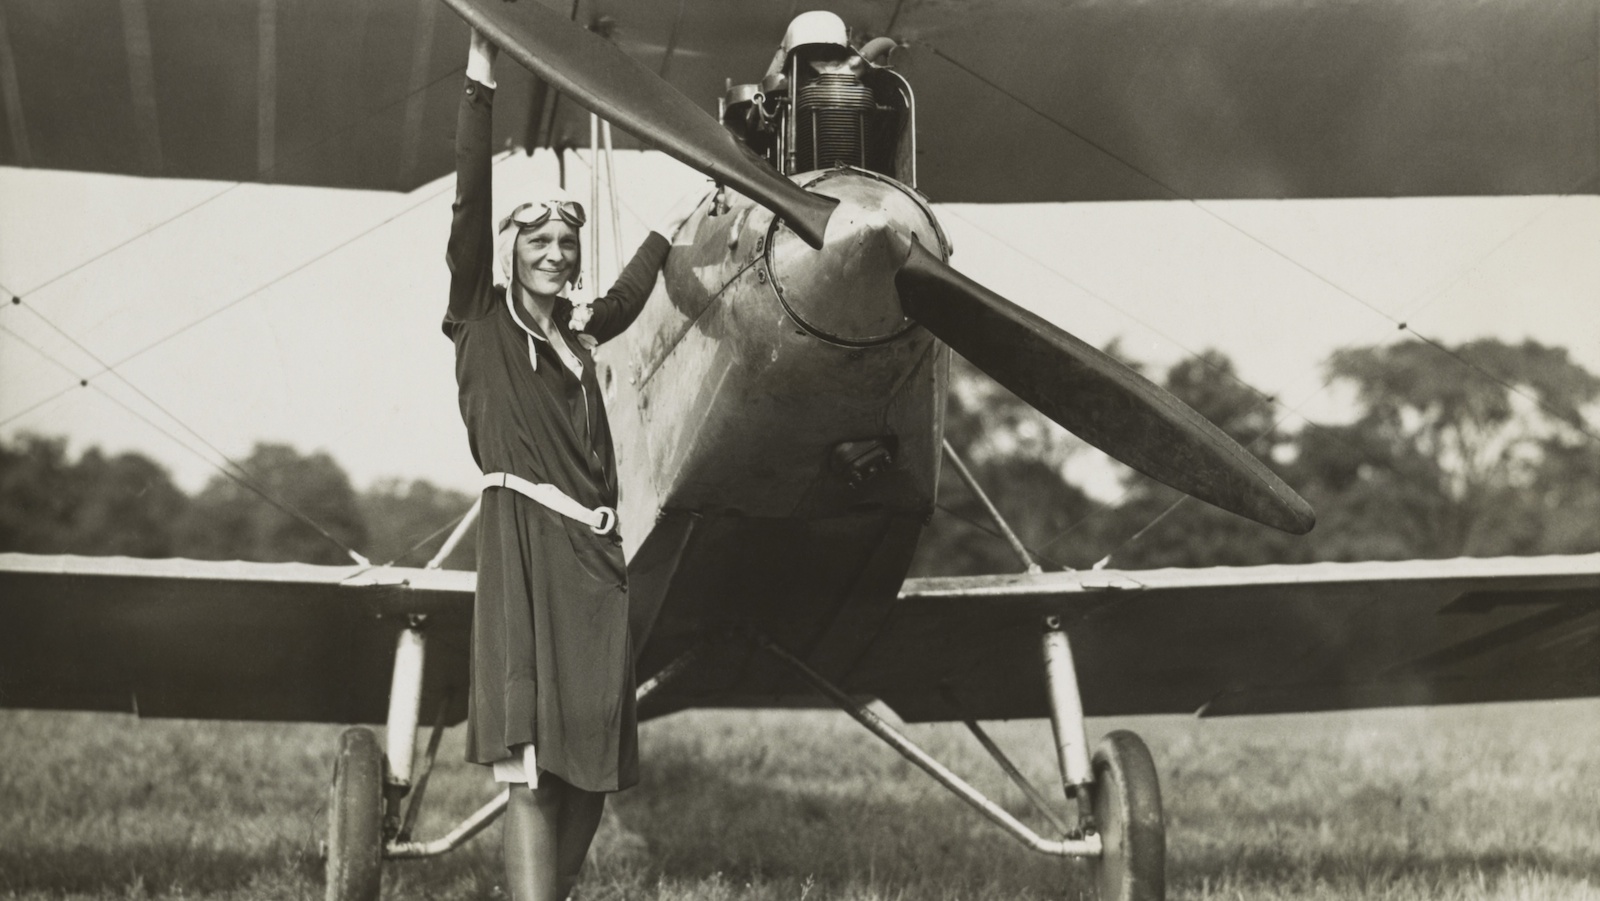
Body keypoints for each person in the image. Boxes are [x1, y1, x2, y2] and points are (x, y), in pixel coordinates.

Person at [445, 29, 701, 901]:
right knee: (530, 765)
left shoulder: (580, 334)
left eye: (565, 244)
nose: (554, 253)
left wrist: (675, 219)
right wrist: (482, 78)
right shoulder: (480, 321)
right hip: (524, 546)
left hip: (597, 563)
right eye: (538, 241)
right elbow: (468, 207)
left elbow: (628, 297)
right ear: (511, 250)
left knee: (592, 769)